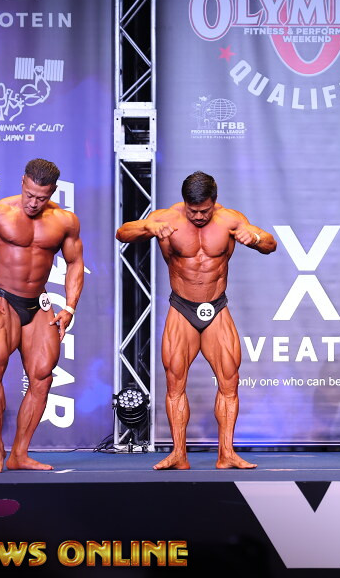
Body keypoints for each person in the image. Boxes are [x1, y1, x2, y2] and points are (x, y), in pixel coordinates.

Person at [116, 171, 277, 469]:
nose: (199, 216)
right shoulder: (167, 218)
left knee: (229, 382)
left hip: (217, 307)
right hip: (182, 308)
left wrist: (253, 238)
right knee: (175, 383)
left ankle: (226, 454)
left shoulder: (230, 219)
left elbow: (270, 243)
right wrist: (148, 227)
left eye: (204, 211)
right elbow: (122, 233)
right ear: (185, 203)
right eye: (193, 211)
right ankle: (178, 453)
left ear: (214, 202)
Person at [0, 158, 83, 473]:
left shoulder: (65, 221)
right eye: (30, 195)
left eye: (42, 197)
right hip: (3, 300)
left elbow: (75, 262)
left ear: (52, 191)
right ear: (23, 182)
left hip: (38, 303)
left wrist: (69, 307)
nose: (34, 203)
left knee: (42, 376)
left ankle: (19, 454)